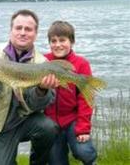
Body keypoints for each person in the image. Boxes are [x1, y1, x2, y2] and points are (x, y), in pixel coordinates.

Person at [0, 9, 59, 165]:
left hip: (24, 121)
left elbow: (39, 104)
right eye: (18, 28)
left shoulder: (43, 63)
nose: (22, 32)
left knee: (49, 128)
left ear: (35, 33)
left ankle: (37, 163)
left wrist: (42, 90)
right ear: (11, 30)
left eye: (28, 29)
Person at [44, 21, 97, 165]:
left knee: (84, 152)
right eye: (53, 41)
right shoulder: (43, 61)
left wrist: (83, 128)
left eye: (62, 40)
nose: (58, 44)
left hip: (72, 119)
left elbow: (86, 99)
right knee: (56, 161)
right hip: (50, 123)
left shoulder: (81, 64)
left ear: (72, 41)